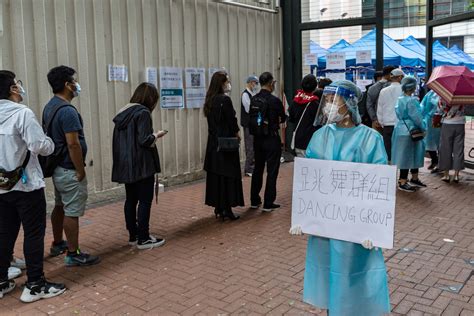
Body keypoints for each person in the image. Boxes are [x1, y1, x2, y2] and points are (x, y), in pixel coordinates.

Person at [290, 80, 390, 316]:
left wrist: (374, 230)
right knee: (328, 276)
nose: (328, 106)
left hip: (355, 229)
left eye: (334, 100)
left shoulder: (370, 139)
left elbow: (378, 188)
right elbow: (310, 183)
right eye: (326, 100)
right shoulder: (320, 136)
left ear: (351, 103)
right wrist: (303, 218)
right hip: (327, 228)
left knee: (353, 276)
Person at [0, 70, 66, 302]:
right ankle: (35, 284)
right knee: (34, 234)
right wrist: (49, 141)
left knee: (5, 233)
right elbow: (40, 146)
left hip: (2, 187)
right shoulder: (22, 114)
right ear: (12, 89)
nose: (20, 86)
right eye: (17, 83)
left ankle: (1, 280)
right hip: (27, 187)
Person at [43, 66, 100, 266]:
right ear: (67, 85)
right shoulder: (67, 111)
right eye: (74, 81)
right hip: (69, 170)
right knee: (72, 211)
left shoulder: (50, 106)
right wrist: (80, 170)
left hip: (59, 169)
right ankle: (73, 253)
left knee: (60, 206)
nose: (76, 85)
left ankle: (58, 242)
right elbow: (73, 144)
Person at [112, 83, 167, 249]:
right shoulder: (142, 113)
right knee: (145, 201)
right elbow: (144, 140)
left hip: (127, 165)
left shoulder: (123, 113)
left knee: (131, 200)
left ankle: (133, 235)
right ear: (150, 99)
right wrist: (156, 135)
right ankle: (144, 238)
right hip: (142, 165)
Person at [203, 71, 244, 220]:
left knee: (217, 176)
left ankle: (219, 207)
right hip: (226, 143)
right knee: (228, 174)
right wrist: (237, 133)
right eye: (226, 81)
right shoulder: (224, 100)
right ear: (221, 83)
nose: (228, 84)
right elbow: (231, 120)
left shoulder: (209, 99)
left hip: (213, 144)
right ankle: (227, 209)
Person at [250, 72, 286, 212]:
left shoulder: (254, 99)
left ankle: (254, 200)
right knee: (272, 171)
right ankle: (268, 203)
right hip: (271, 139)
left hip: (257, 139)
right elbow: (283, 118)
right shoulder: (274, 101)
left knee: (258, 169)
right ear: (271, 83)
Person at [391, 77, 427, 192]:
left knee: (404, 155)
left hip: (401, 129)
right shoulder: (411, 101)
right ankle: (403, 181)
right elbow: (416, 117)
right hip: (411, 130)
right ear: (412, 87)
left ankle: (409, 179)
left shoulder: (400, 99)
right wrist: (423, 127)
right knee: (409, 156)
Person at [377, 68, 405, 162]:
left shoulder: (383, 91)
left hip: (387, 123)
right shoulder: (404, 90)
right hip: (401, 124)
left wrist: (382, 122)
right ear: (400, 77)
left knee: (388, 149)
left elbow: (380, 108)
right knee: (400, 149)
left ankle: (390, 168)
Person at [288, 74, 320, 157]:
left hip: (298, 140)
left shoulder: (295, 100)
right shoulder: (315, 103)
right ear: (315, 87)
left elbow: (291, 119)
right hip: (311, 141)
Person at [438, 100, 466, 183]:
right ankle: (456, 175)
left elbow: (440, 110)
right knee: (459, 150)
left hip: (447, 124)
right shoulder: (463, 97)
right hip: (460, 123)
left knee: (445, 149)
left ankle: (446, 175)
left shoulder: (443, 97)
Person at [366, 65, 396, 131]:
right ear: (390, 74)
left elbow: (369, 105)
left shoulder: (371, 88)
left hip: (376, 123)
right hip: (391, 122)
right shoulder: (393, 87)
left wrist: (375, 119)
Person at [241, 75, 259, 177]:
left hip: (253, 124)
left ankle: (253, 166)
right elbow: (249, 109)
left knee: (254, 145)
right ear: (250, 82)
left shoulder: (252, 94)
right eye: (254, 83)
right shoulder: (245, 95)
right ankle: (248, 168)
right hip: (248, 124)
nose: (255, 85)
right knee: (250, 146)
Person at [421, 90, 442, 172]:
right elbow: (423, 106)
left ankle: (440, 163)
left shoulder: (445, 94)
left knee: (440, 143)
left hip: (440, 121)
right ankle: (435, 160)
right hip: (430, 121)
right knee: (429, 143)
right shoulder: (430, 93)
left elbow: (422, 107)